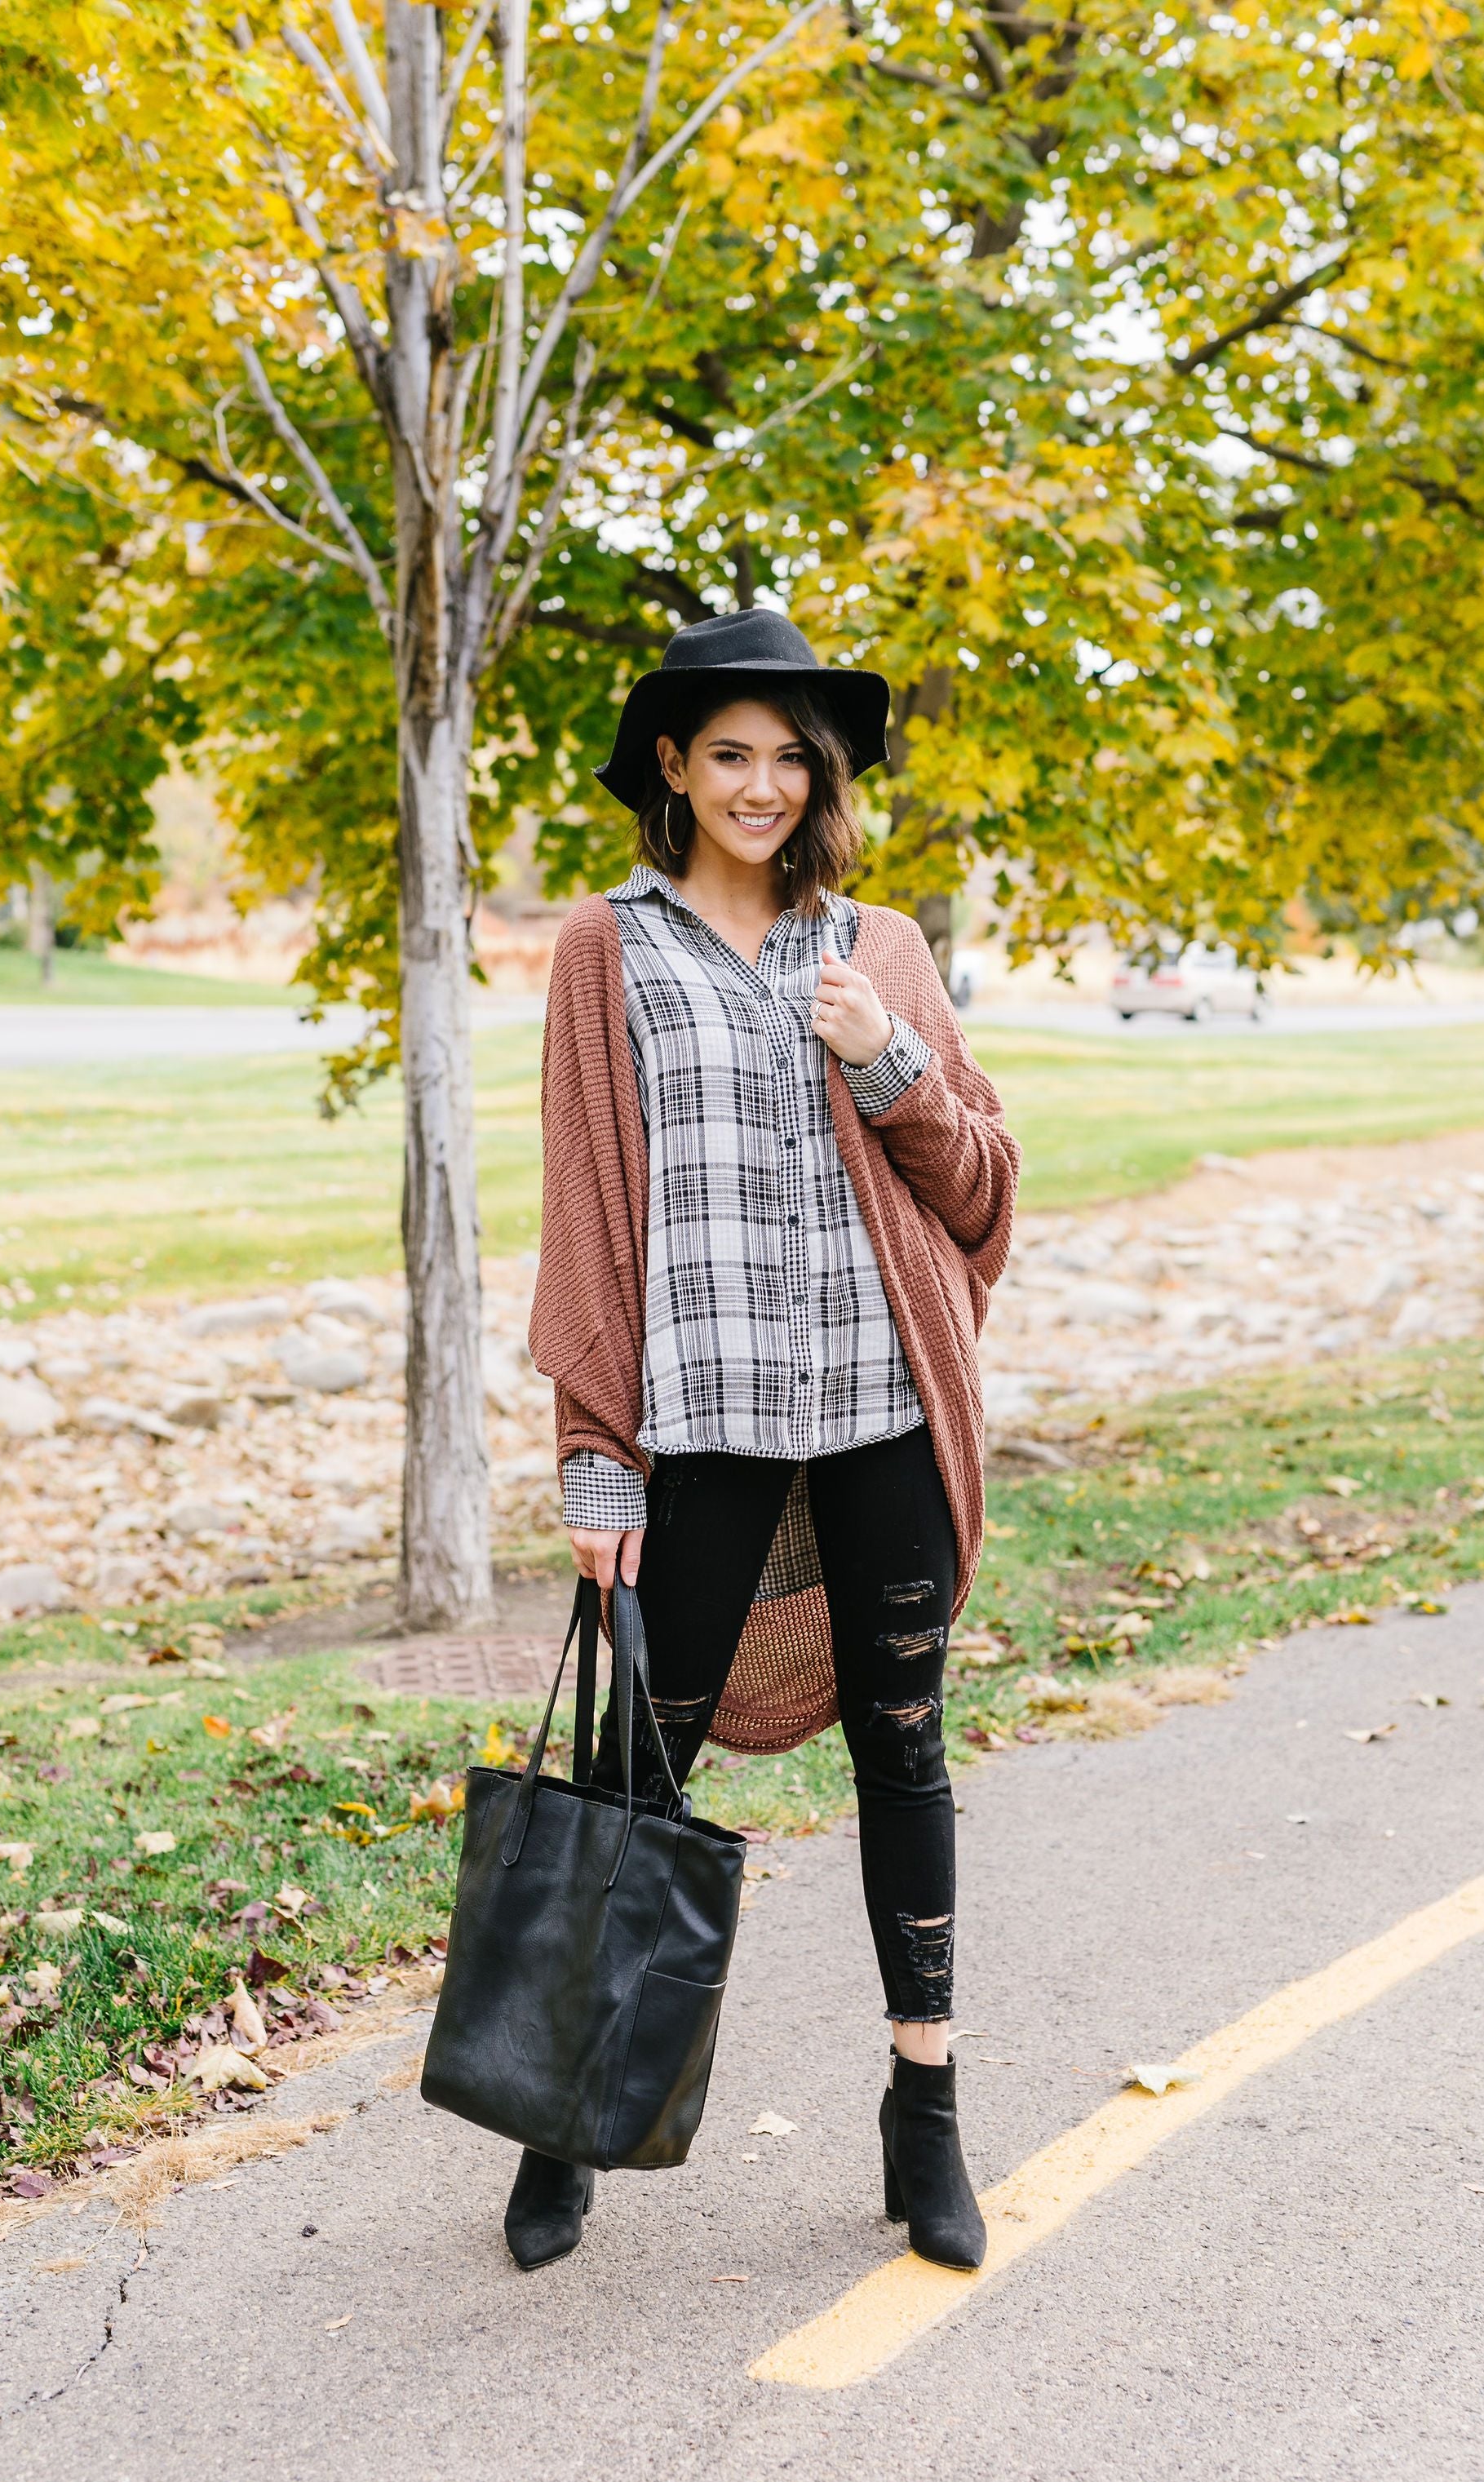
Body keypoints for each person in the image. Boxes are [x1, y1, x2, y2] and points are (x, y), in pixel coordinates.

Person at [520, 609, 1020, 2274]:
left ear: (824, 777)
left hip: (881, 1410)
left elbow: (981, 1193)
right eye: (727, 752)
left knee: (906, 1752)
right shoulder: (609, 949)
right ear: (671, 766)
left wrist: (890, 1071)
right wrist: (596, 1453)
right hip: (704, 1425)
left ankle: (925, 2115)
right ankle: (574, 2102)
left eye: (788, 756)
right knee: (636, 1771)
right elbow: (589, 1212)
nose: (758, 783)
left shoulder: (878, 951)